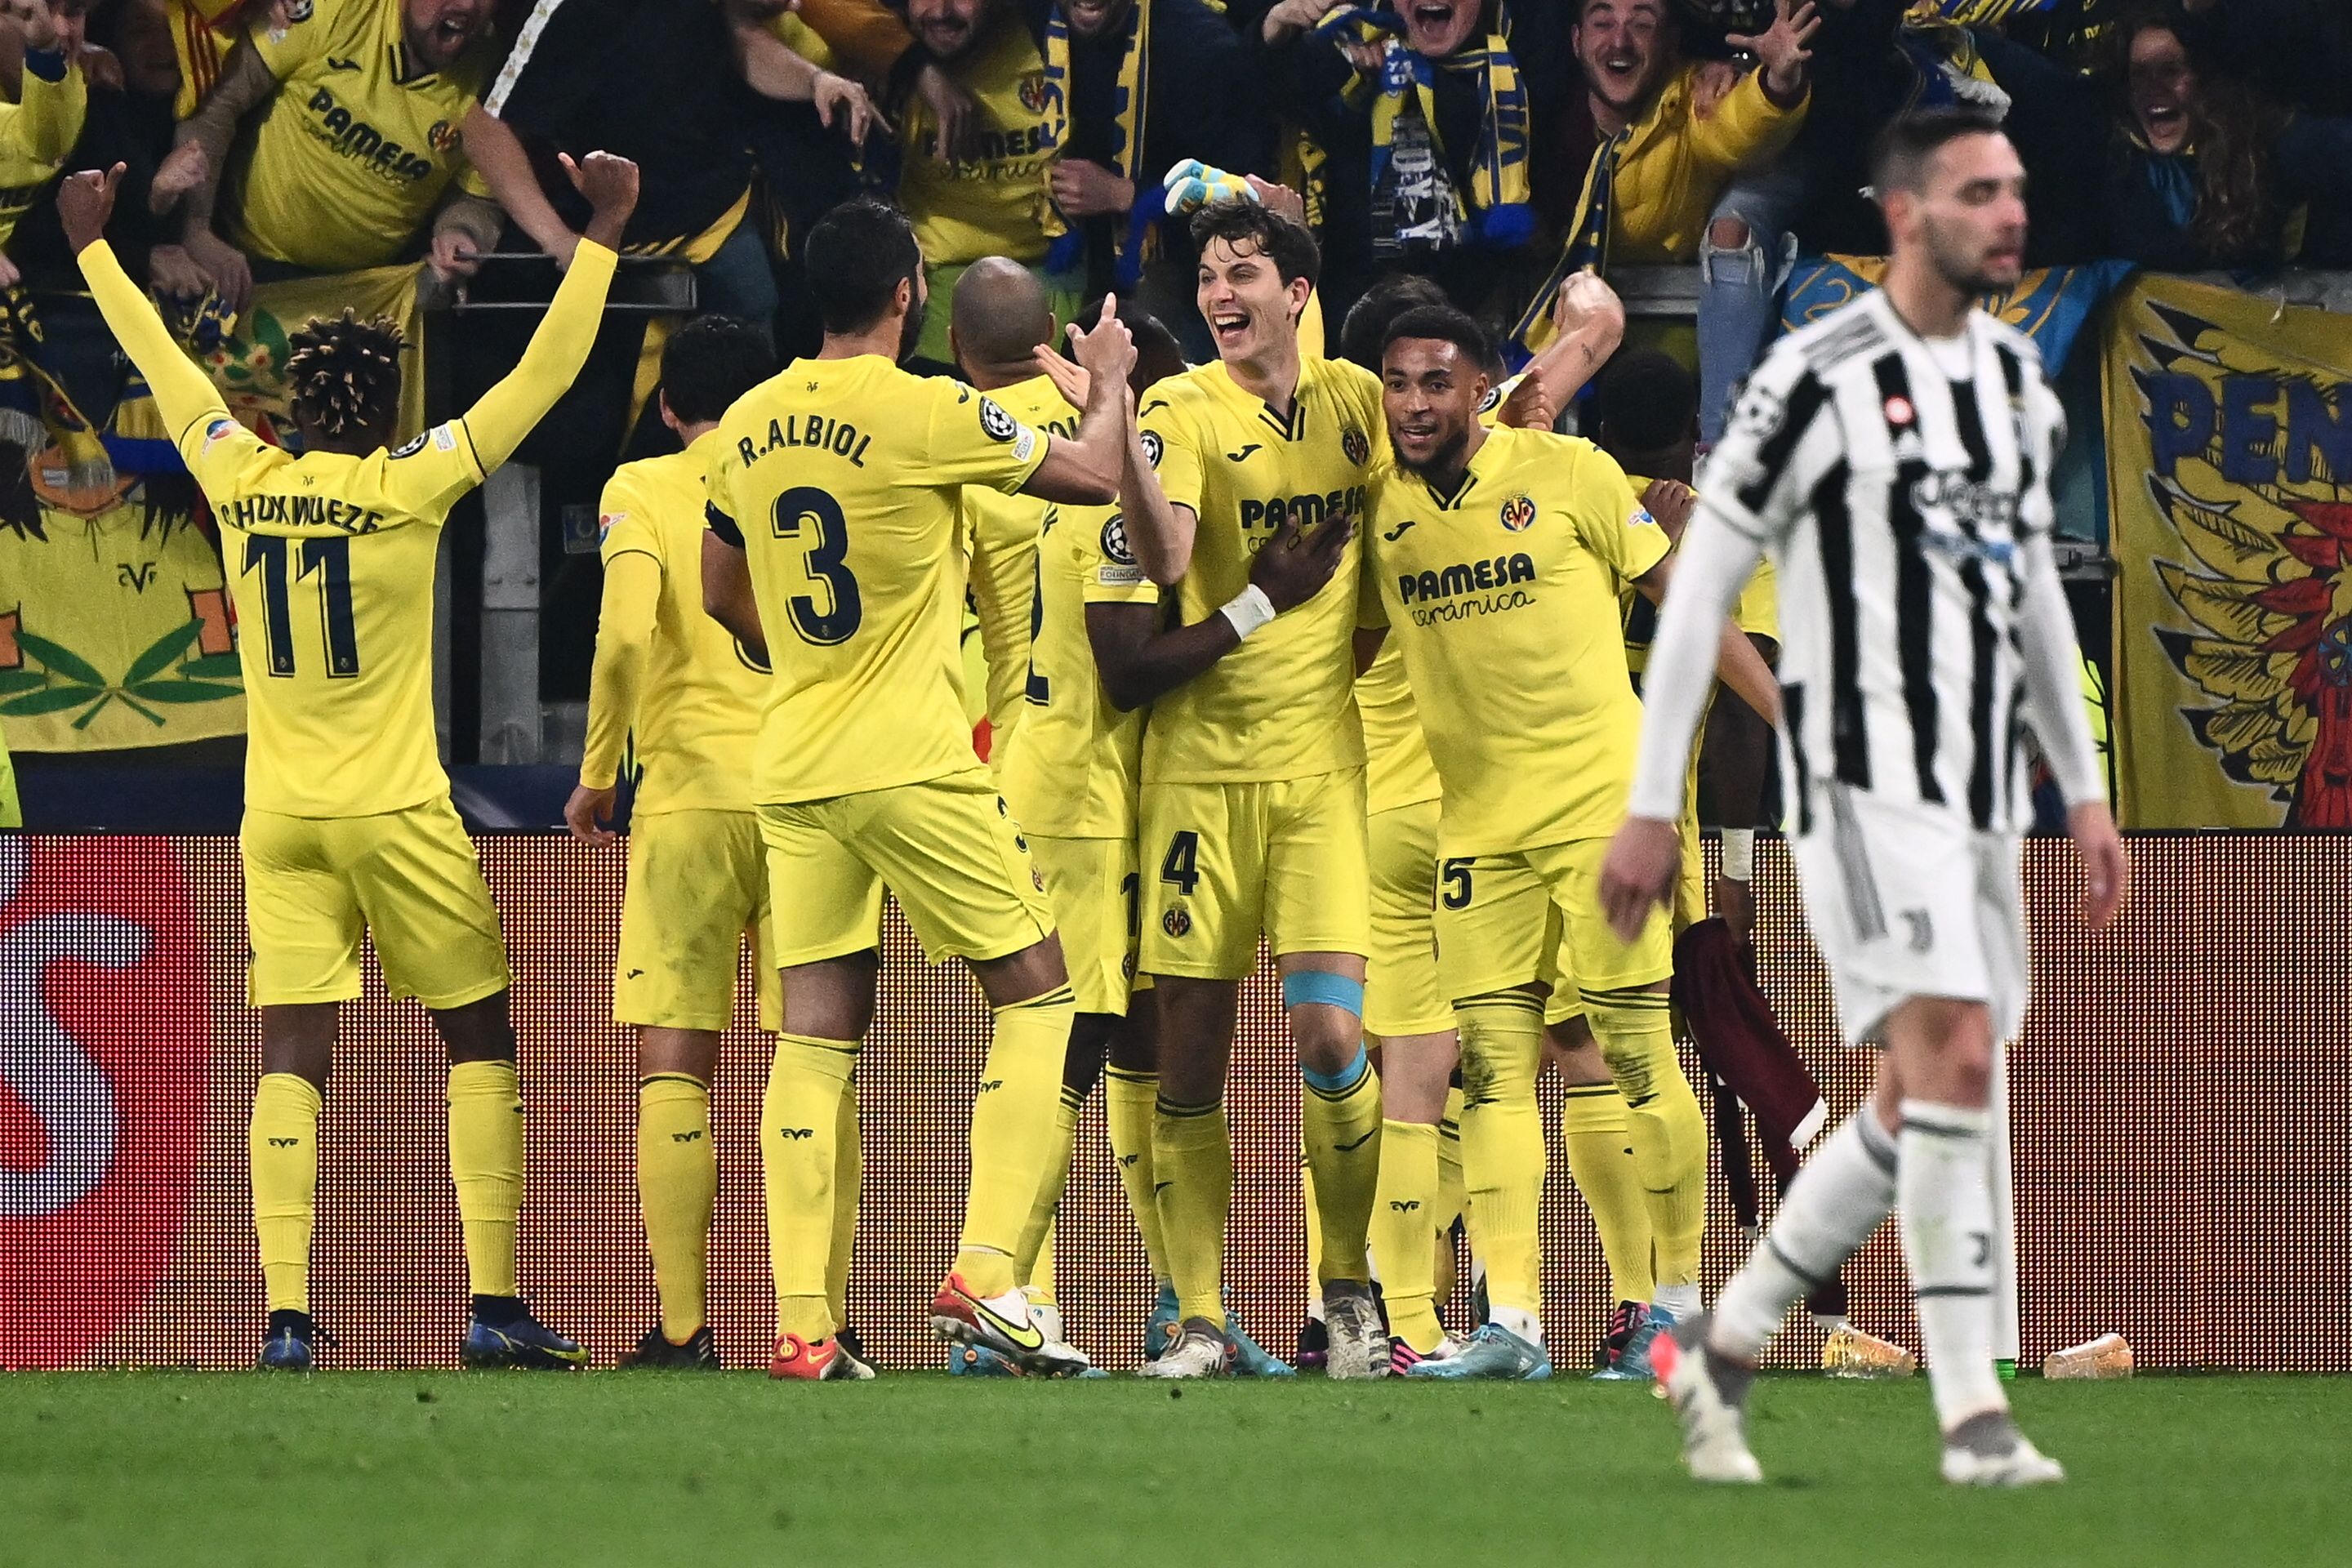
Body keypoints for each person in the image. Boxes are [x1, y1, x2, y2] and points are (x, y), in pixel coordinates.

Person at [1600, 109, 2125, 1486]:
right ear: (1904, 214)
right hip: (1854, 771)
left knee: (1933, 1088)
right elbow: (1701, 581)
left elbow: (2024, 597)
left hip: (1967, 783)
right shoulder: (1813, 380)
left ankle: (1729, 1346)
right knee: (1948, 1065)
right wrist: (1656, 804)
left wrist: (2081, 791)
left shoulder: (2014, 381)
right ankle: (1973, 1415)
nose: (2013, 214)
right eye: (1979, 193)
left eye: (2017, 189)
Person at [59, 149, 639, 1372]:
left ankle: (282, 1315)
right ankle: (491, 1303)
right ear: (381, 411)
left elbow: (166, 371)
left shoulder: (240, 472)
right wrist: (602, 234)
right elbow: (546, 374)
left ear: (294, 409)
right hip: (396, 809)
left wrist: (95, 250)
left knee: (293, 1048)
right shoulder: (410, 484)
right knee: (478, 1035)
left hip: (279, 813)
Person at [697, 194, 1138, 1380]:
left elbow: (716, 588)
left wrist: (795, 660)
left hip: (791, 759)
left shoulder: (747, 420)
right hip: (910, 757)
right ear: (906, 297)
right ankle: (990, 1272)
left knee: (816, 1031)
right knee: (1042, 995)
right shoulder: (928, 409)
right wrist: (1103, 377)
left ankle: (802, 1324)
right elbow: (1096, 476)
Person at [1358, 303, 1777, 1382]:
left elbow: (1686, 607)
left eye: (1436, 383)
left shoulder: (1573, 473)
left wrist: (1787, 715)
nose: (1414, 403)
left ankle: (1677, 1313)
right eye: (1398, 384)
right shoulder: (1382, 518)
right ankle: (1515, 1324)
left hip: (1599, 812)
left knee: (1636, 1053)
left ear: (1483, 386)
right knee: (1495, 1072)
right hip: (1476, 826)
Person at [1112, 198, 1390, 1380]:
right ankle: (1201, 1321)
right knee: (1192, 1060)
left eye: (1244, 272)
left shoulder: (1359, 409)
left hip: (1321, 778)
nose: (1221, 294)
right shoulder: (1179, 413)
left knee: (1332, 1039)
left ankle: (1346, 1291)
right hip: (1196, 782)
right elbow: (1167, 555)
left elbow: (1375, 609)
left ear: (1297, 291)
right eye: (1208, 277)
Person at [561, 317, 862, 1375]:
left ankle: (684, 1329)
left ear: (668, 405)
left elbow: (624, 633)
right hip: (807, 791)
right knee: (816, 1056)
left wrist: (601, 773)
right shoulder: (801, 471)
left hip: (688, 800)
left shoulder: (642, 488)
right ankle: (818, 1317)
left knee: (676, 1061)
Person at [170, 0, 505, 312]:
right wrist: (195, 229)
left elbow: (479, 198)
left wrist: (462, 233)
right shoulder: (338, 8)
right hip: (236, 261)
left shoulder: (498, 79)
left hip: (362, 301)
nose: (469, 4)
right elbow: (216, 106)